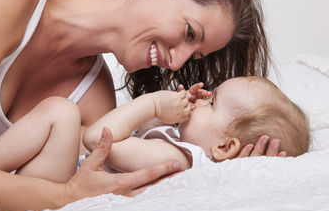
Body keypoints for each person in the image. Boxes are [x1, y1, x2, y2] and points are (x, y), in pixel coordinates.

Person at [0, 0, 279, 211]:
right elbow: (56, 194)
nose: (176, 63)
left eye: (194, 56)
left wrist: (237, 171)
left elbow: (130, 182)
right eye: (189, 33)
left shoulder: (94, 101)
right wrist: (62, 196)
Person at [83, 77, 310, 172]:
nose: (201, 100)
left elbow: (98, 140)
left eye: (211, 103)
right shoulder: (179, 144)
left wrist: (152, 103)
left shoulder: (178, 158)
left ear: (224, 147)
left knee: (60, 113)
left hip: (63, 173)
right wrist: (165, 115)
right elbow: (142, 134)